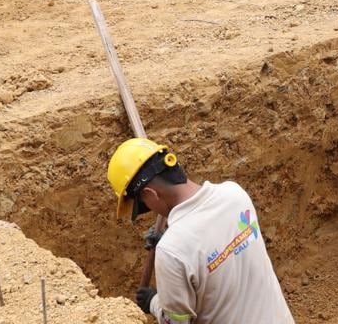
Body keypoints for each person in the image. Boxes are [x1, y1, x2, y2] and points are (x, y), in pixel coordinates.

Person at [107, 138, 294, 324]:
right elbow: (212, 240)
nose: (150, 209)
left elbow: (177, 322)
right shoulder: (235, 194)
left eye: (145, 205)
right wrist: (173, 240)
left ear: (150, 194)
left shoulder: (171, 251)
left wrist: (154, 302)